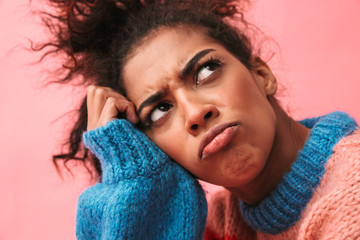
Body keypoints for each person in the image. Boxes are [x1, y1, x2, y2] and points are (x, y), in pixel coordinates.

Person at [38, 0, 360, 239]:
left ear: (262, 75)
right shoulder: (217, 222)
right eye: (160, 110)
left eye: (206, 71)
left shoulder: (352, 191)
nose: (194, 113)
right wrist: (133, 179)